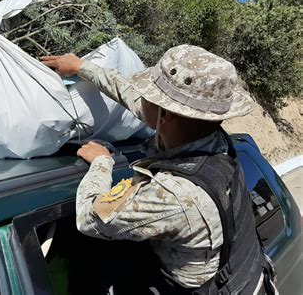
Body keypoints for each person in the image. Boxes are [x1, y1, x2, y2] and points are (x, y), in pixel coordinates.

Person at [41, 45, 278, 294]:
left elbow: (90, 218)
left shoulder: (176, 195)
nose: (143, 98)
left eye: (151, 95)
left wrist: (101, 162)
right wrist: (82, 67)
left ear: (165, 115)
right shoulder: (212, 140)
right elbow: (135, 99)